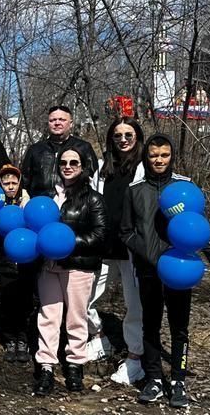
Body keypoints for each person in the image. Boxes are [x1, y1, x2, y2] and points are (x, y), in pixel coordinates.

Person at [120, 133, 210, 407]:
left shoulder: (185, 187)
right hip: (149, 269)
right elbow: (126, 232)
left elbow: (198, 231)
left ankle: (178, 381)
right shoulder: (135, 190)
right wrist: (151, 256)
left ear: (172, 156)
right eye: (153, 155)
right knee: (150, 325)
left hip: (181, 268)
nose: (159, 160)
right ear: (146, 157)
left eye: (164, 155)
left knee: (179, 327)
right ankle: (153, 379)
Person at [32, 145, 109, 395]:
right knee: (48, 317)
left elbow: (99, 235)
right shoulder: (47, 196)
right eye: (63, 163)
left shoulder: (93, 198)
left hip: (78, 267)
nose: (67, 167)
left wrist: (65, 243)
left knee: (76, 318)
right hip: (49, 266)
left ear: (83, 167)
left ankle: (75, 365)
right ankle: (46, 366)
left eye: (73, 163)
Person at [88, 117, 146, 385]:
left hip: (132, 248)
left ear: (137, 137)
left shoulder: (144, 168)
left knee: (134, 305)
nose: (123, 140)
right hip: (104, 245)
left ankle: (135, 359)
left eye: (128, 135)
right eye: (117, 135)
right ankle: (99, 338)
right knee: (84, 299)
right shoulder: (102, 168)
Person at [0, 164, 33, 363]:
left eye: (14, 182)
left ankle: (23, 340)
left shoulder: (27, 203)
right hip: (5, 261)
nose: (10, 186)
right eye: (6, 183)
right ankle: (9, 339)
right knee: (8, 301)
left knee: (25, 302)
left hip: (26, 261)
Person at [20, 105, 98, 197]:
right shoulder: (35, 149)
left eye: (62, 120)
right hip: (41, 202)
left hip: (74, 202)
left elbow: (93, 179)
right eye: (52, 120)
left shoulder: (84, 147)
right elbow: (24, 181)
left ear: (71, 123)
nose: (57, 123)